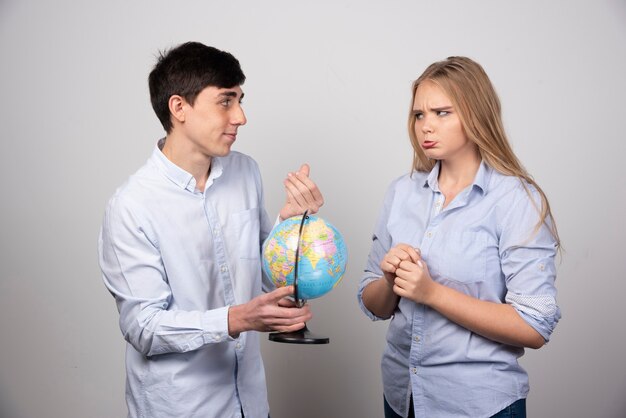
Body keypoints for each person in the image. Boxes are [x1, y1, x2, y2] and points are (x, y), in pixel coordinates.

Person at [98, 41, 324, 418]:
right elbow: (144, 327)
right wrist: (237, 319)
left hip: (251, 405)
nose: (241, 116)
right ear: (179, 108)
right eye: (225, 101)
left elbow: (267, 280)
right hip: (182, 410)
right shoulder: (131, 206)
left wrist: (291, 228)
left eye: (240, 100)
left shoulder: (246, 172)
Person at [358, 56, 561, 418]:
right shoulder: (401, 193)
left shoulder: (516, 200)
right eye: (419, 115)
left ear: (475, 114)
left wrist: (432, 293)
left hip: (478, 405)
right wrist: (389, 282)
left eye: (442, 113)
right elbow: (373, 303)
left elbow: (534, 326)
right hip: (401, 398)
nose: (425, 127)